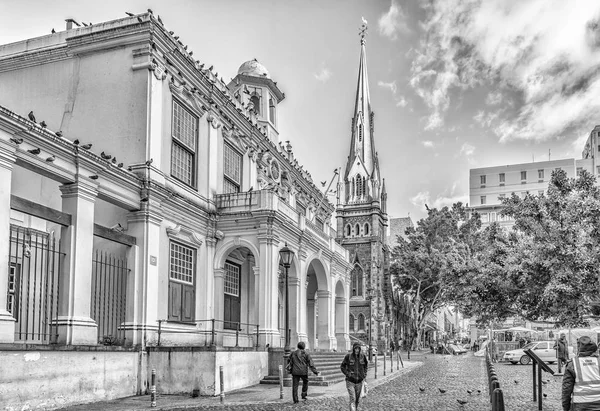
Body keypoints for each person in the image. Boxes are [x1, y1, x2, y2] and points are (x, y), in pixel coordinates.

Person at [562, 336, 600, 411]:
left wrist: (566, 407)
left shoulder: (573, 364)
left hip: (580, 404)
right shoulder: (598, 361)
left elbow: (566, 389)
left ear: (579, 349)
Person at [341, 342, 369, 411]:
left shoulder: (363, 356)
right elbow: (342, 366)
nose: (357, 350)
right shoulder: (348, 356)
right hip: (350, 381)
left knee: (357, 399)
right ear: (353, 349)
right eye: (355, 348)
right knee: (352, 398)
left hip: (359, 382)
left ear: (360, 349)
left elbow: (366, 366)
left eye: (358, 349)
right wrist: (348, 374)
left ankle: (355, 409)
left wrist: (364, 374)